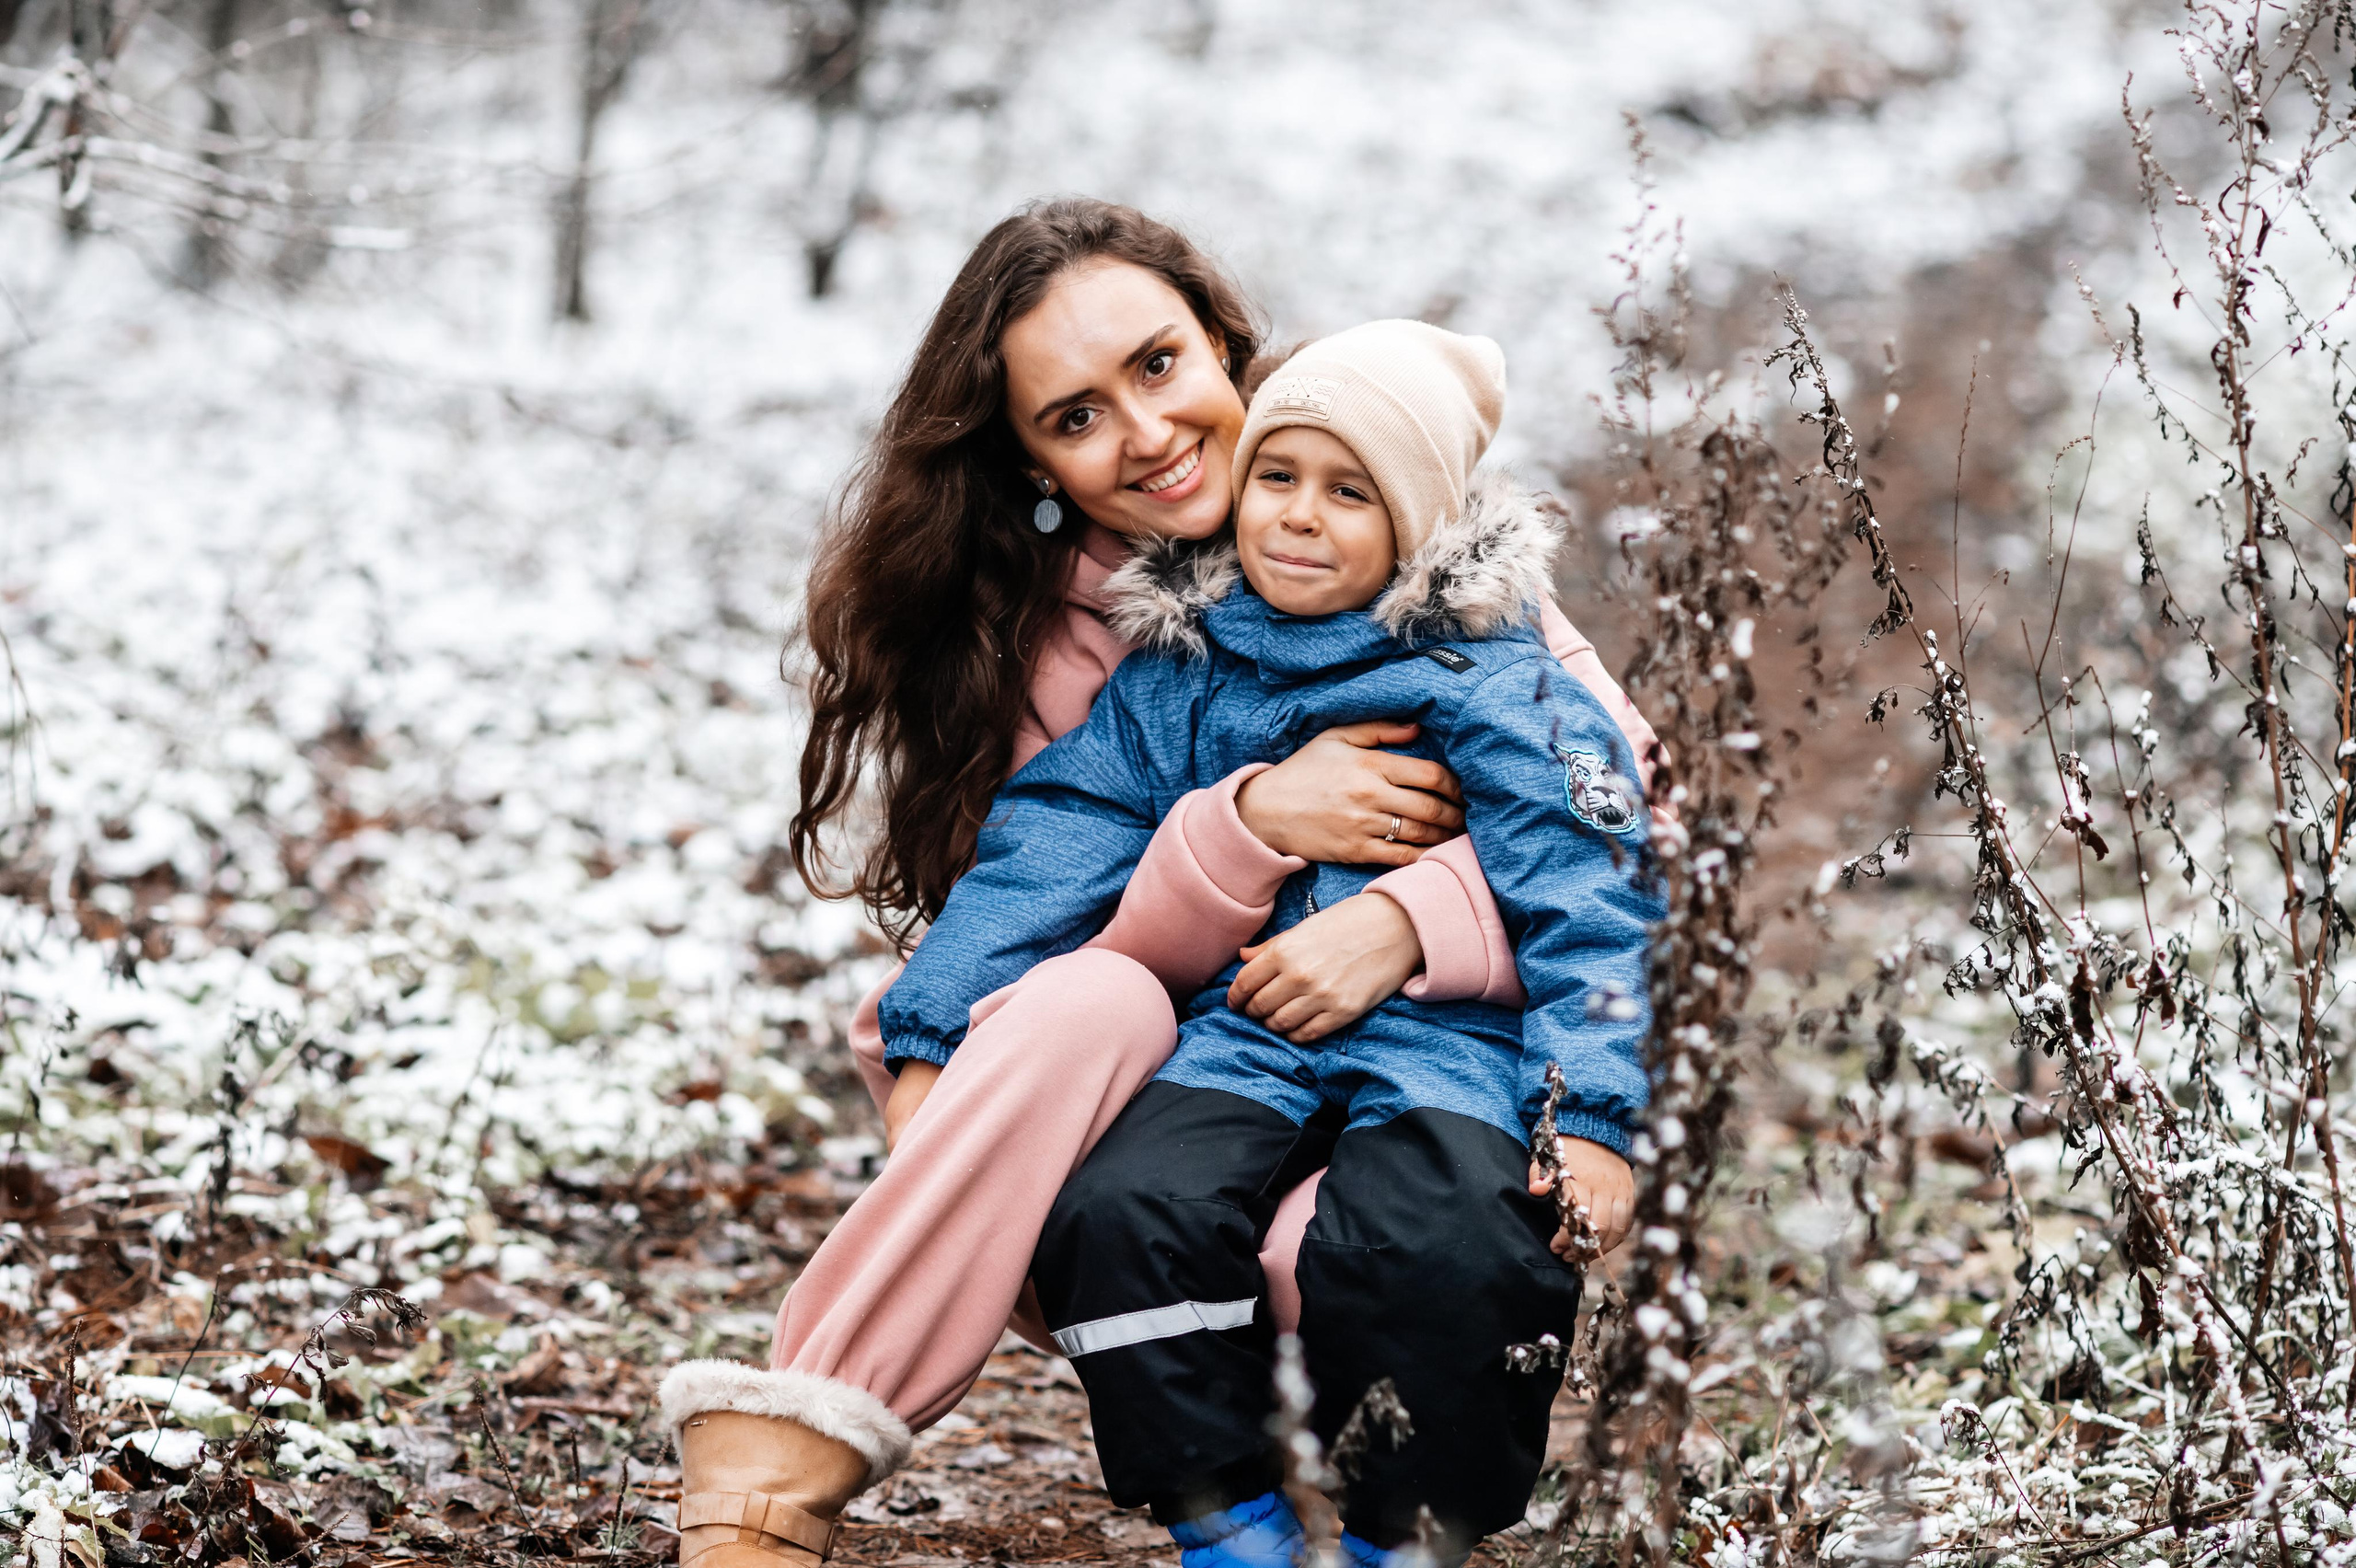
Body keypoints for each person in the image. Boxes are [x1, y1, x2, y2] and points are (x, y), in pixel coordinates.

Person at [653, 202, 1657, 1568]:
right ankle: (798, 1462)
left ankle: (1380, 1532)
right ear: (1034, 463)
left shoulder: (1432, 563)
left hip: (1435, 1063)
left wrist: (1403, 922)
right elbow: (1047, 869)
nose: (1145, 432)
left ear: (1225, 349)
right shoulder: (1087, 645)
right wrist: (1248, 825)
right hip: (1194, 1070)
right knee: (1101, 1046)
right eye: (1075, 417)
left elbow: (1620, 827)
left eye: (1159, 365)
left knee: (1410, 1248)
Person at [887, 321, 1660, 1560]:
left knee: (1447, 1244)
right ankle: (1226, 1515)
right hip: (1244, 1033)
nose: (1301, 517)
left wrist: (1593, 1122)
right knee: (1126, 1209)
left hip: (1443, 1049)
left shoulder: (1494, 683)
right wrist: (932, 1033)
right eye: (1280, 480)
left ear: (1416, 522)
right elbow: (1055, 838)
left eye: (1351, 493)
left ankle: (1393, 1533)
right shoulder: (1188, 669)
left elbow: (1593, 893)